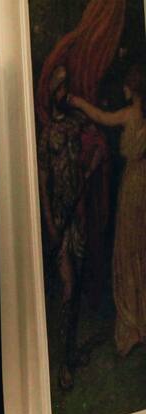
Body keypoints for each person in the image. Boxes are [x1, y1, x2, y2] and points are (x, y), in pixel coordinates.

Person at [69, 64, 146, 357]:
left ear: (133, 89)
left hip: (134, 186)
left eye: (127, 86)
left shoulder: (130, 114)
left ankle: (133, 323)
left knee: (130, 250)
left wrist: (78, 103)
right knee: (139, 248)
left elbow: (102, 117)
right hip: (143, 182)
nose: (123, 90)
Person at [38, 66, 103, 390]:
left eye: (66, 87)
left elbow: (100, 145)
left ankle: (71, 352)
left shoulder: (78, 124)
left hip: (77, 213)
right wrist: (49, 220)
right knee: (65, 287)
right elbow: (44, 178)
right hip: (60, 217)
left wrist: (88, 173)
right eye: (59, 88)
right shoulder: (47, 133)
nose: (63, 93)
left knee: (75, 288)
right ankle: (62, 363)